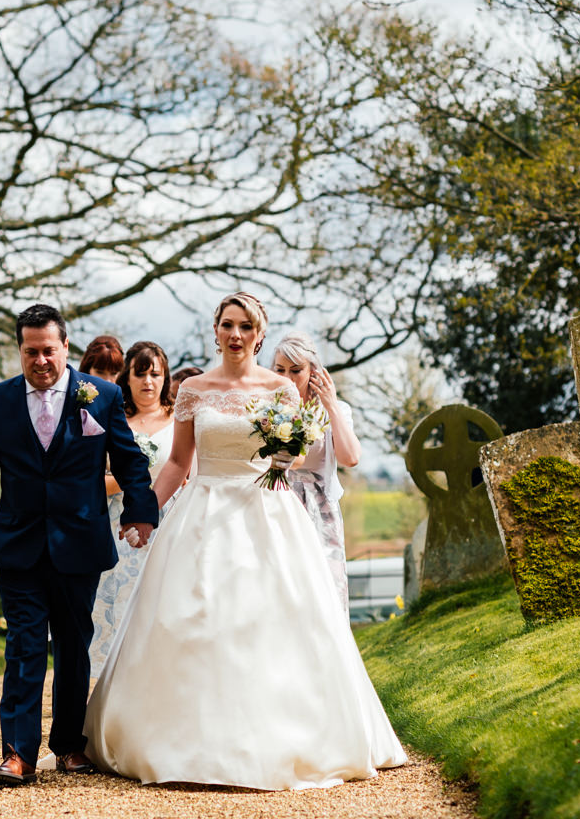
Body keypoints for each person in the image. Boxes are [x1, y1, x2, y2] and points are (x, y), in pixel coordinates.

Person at [83, 293, 406, 790]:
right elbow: (177, 464)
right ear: (216, 331)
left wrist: (282, 454)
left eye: (246, 326)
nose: (236, 335)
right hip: (203, 512)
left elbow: (295, 459)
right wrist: (142, 510)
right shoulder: (192, 389)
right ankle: (185, 739)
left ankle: (282, 734)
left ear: (259, 333)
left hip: (268, 511)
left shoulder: (281, 389)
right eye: (228, 325)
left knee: (273, 620)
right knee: (193, 617)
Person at [0, 304, 156, 787]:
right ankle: (17, 754)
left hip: (80, 542)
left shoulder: (101, 396)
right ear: (20, 351)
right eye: (31, 351)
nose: (40, 360)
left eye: (49, 351)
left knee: (75, 648)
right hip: (18, 545)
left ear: (65, 349)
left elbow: (130, 460)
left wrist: (141, 512)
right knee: (25, 646)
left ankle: (70, 744)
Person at [88, 340, 179, 675]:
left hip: (169, 523)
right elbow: (93, 476)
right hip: (117, 524)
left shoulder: (179, 419)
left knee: (161, 607)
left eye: (156, 373)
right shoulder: (114, 417)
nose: (148, 382)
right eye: (140, 374)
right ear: (127, 377)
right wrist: (129, 479)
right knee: (114, 607)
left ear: (166, 377)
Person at [272, 331, 362, 616]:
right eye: (280, 370)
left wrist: (331, 405)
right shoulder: (267, 410)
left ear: (313, 371)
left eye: (296, 370)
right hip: (276, 500)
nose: (287, 377)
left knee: (323, 587)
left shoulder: (332, 411)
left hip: (319, 506)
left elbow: (350, 458)